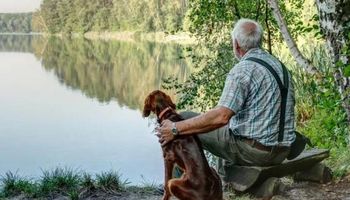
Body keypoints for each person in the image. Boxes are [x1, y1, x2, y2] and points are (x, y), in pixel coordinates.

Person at [157, 18, 296, 184]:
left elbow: (221, 117)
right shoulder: (280, 66)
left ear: (236, 44)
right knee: (208, 126)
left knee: (183, 118)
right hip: (282, 151)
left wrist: (175, 128)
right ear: (260, 41)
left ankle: (182, 187)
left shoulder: (243, 70)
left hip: (257, 153)